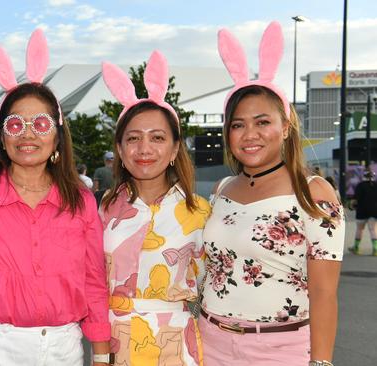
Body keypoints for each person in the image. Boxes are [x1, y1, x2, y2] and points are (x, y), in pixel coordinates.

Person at [0, 29, 111, 366]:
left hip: (64, 348)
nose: (27, 134)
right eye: (15, 125)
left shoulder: (81, 200)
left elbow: (94, 282)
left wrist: (101, 356)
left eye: (41, 124)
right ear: (2, 137)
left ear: (58, 136)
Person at [199, 22, 345, 366]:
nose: (250, 134)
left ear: (285, 126)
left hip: (281, 352)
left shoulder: (315, 194)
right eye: (238, 124)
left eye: (263, 122)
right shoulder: (222, 190)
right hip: (210, 342)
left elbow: (325, 295)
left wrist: (321, 362)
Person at [100, 51, 210, 365]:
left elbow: (211, 283)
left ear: (175, 148)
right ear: (119, 150)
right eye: (133, 138)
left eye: (157, 137)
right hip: (112, 343)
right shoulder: (103, 211)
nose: (145, 149)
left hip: (176, 345)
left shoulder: (200, 212)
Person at [350, 171, 377, 255]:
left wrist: (351, 206)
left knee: (360, 229)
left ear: (364, 177)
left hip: (361, 210)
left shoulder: (360, 185)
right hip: (374, 211)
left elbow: (354, 200)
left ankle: (356, 248)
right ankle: (375, 249)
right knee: (373, 229)